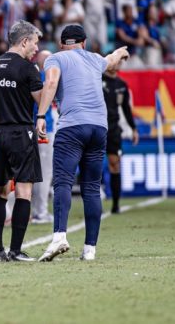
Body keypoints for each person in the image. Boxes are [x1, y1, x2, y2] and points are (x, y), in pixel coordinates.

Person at [36, 25, 130, 262]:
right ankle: (90, 250)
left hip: (72, 126)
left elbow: (51, 82)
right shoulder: (95, 59)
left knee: (63, 183)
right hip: (99, 128)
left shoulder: (55, 58)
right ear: (84, 43)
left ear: (61, 44)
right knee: (91, 188)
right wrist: (120, 52)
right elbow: (111, 60)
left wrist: (40, 115)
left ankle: (59, 236)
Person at [0, 21, 44, 262]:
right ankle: (15, 250)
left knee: (1, 189)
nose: (36, 48)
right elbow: (40, 99)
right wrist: (43, 114)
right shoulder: (28, 69)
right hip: (21, 133)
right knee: (24, 190)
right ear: (24, 41)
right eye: (34, 43)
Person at [103, 60, 138, 214]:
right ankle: (93, 204)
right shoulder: (96, 80)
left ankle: (116, 204)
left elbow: (126, 108)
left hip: (113, 129)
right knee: (92, 165)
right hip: (97, 128)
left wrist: (133, 128)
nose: (115, 65)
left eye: (118, 62)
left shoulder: (121, 85)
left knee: (115, 164)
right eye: (113, 62)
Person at [31, 50, 55, 224]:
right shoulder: (47, 79)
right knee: (44, 173)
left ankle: (31, 211)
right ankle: (41, 212)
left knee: (29, 173)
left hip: (29, 128)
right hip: (44, 128)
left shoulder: (31, 76)